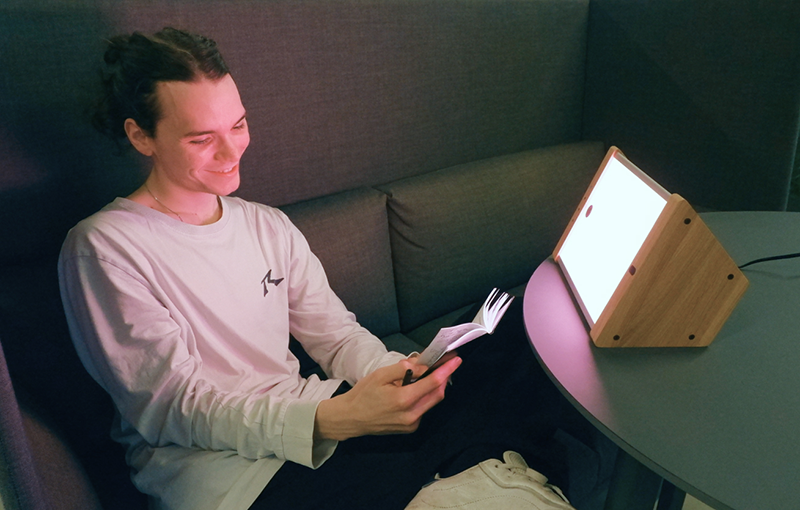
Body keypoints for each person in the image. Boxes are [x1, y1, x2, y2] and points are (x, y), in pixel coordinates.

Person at [58, 27, 573, 510]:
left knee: (514, 334)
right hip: (229, 477)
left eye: (238, 125)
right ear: (142, 136)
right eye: (200, 139)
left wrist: (390, 376)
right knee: (478, 425)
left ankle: (474, 455)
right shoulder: (105, 247)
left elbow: (335, 335)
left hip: (318, 418)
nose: (230, 150)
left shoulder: (267, 226)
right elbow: (176, 407)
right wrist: (336, 418)